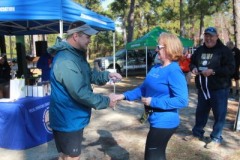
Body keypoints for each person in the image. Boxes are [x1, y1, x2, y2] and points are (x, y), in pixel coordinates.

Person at [47, 21, 122, 160]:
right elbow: (80, 92)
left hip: (72, 118)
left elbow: (88, 75)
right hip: (68, 120)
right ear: (76, 36)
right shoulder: (66, 60)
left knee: (66, 155)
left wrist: (107, 75)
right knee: (72, 156)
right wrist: (107, 101)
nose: (90, 41)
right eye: (87, 37)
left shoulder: (76, 55)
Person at [113, 32, 188, 160]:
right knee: (156, 155)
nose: (156, 49)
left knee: (152, 156)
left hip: (165, 122)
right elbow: (143, 89)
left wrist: (153, 102)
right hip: (154, 118)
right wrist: (122, 96)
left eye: (159, 46)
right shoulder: (156, 68)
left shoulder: (174, 71)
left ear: (168, 48)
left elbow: (182, 100)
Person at [184, 27, 235, 149]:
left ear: (217, 36)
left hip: (219, 88)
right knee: (200, 112)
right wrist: (193, 68)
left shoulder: (224, 51)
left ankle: (216, 138)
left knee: (219, 114)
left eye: (211, 36)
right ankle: (197, 134)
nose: (208, 38)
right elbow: (192, 62)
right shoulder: (200, 50)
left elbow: (231, 69)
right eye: (206, 36)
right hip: (203, 88)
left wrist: (213, 71)